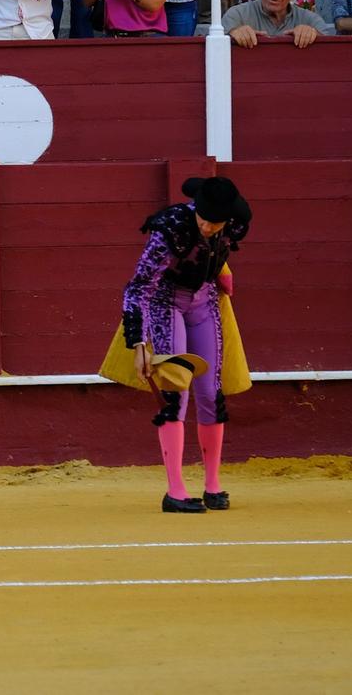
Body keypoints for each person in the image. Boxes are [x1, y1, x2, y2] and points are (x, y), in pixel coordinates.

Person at [99, 174, 253, 513]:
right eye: (205, 221)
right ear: (195, 209)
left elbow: (217, 247)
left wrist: (222, 269)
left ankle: (213, 485)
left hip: (204, 301)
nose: (210, 228)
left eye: (217, 223)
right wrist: (139, 344)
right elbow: (138, 287)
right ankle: (176, 490)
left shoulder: (236, 221)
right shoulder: (169, 228)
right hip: (166, 302)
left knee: (212, 393)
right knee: (175, 393)